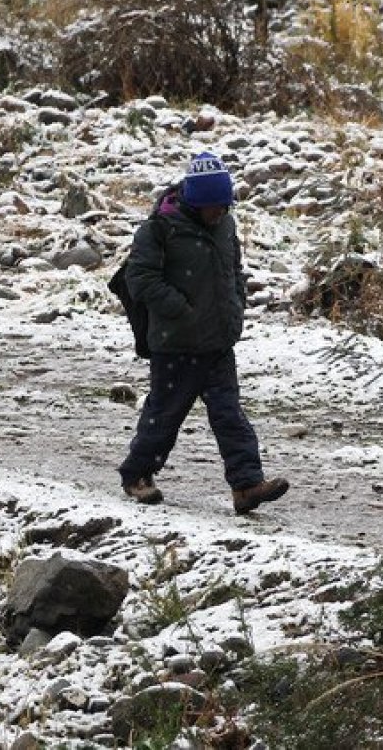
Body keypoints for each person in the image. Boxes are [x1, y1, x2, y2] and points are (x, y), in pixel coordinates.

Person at [118, 152, 290, 514]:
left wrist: (236, 306)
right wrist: (180, 309)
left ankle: (246, 486)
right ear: (195, 204)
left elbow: (233, 269)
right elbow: (140, 278)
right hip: (175, 345)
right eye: (214, 208)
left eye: (225, 206)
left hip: (217, 343)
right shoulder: (158, 230)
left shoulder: (226, 226)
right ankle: (136, 475)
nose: (220, 213)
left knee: (230, 415)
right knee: (164, 415)